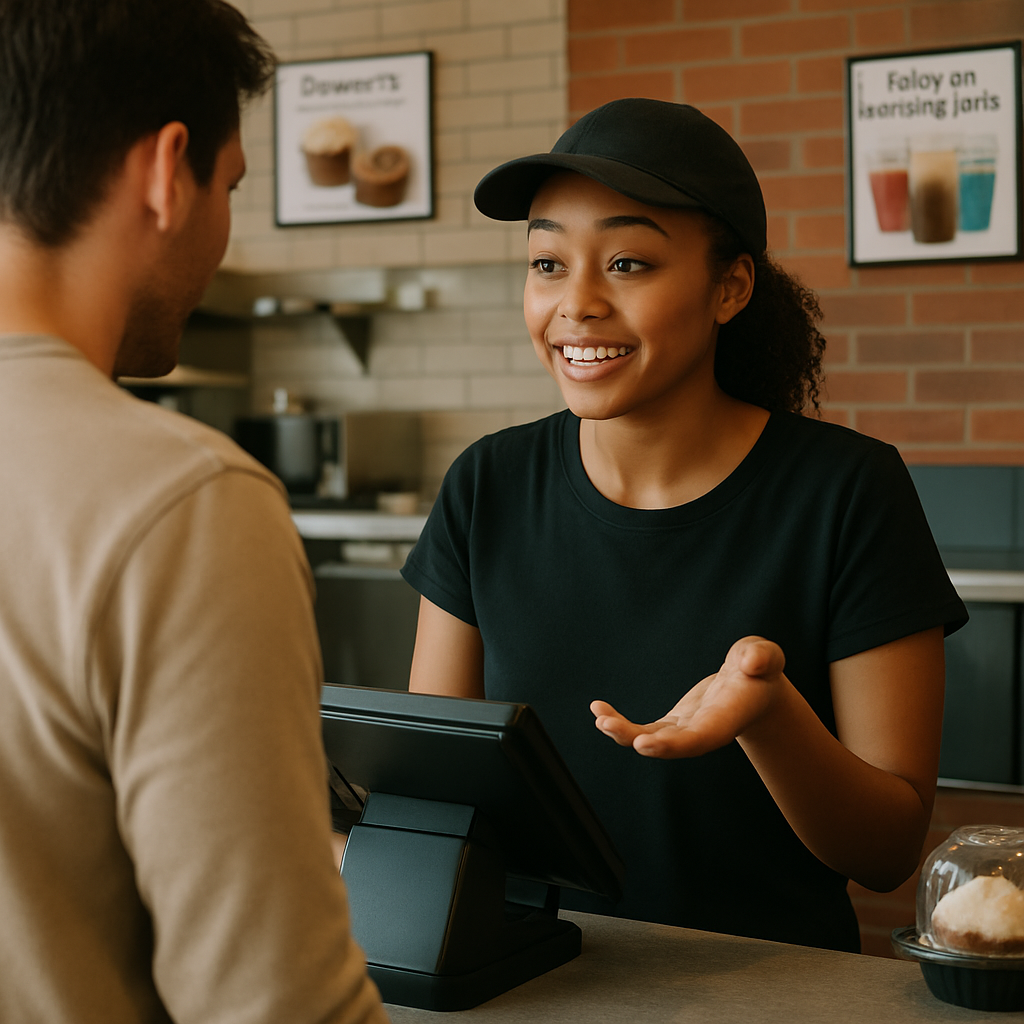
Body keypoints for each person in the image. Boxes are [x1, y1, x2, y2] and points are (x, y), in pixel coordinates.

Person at [401, 98, 968, 953]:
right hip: (522, 981)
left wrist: (771, 717)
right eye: (548, 262)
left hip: (766, 996)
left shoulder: (847, 490)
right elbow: (436, 786)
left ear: (729, 287)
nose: (577, 303)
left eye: (627, 262)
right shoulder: (487, 483)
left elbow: (886, 853)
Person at [0, 2, 387, 1021]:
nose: (224, 229)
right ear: (168, 173)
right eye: (232, 187)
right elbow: (272, 1004)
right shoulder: (181, 501)